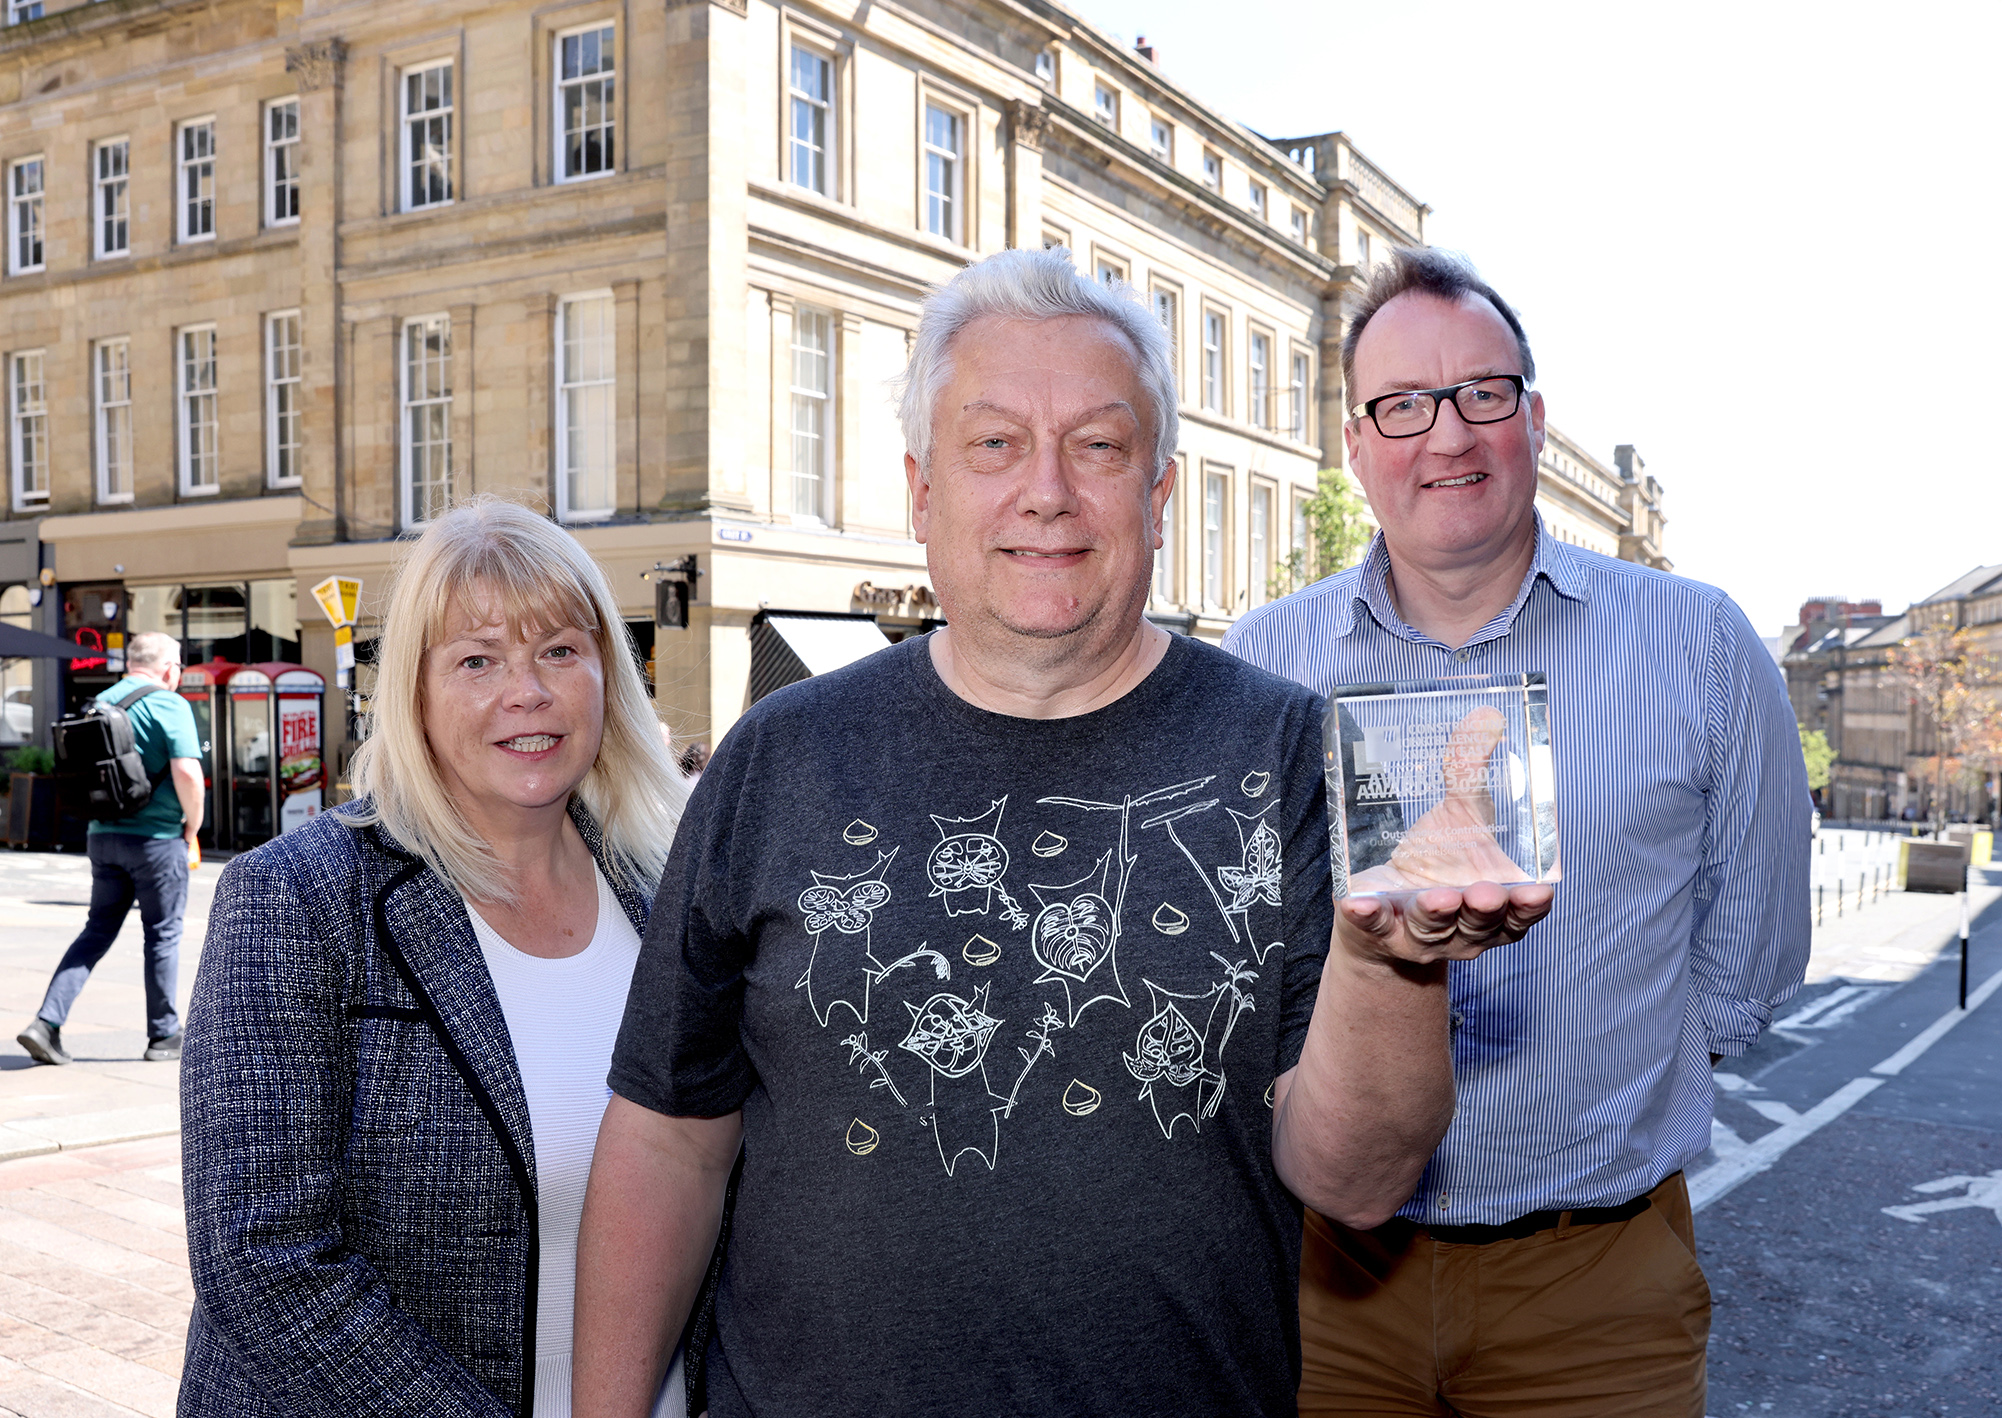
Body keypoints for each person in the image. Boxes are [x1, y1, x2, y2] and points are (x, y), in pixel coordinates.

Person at [571, 247, 1549, 1418]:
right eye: (992, 443)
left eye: (1097, 444)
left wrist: (1395, 953)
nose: (1046, 490)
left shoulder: (1292, 751)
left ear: (1158, 493)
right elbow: (669, 1137)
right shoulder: (777, 754)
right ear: (920, 488)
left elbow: (1357, 1177)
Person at [1222, 246, 1811, 1416]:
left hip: (1594, 1285)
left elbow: (1745, 953)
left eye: (1480, 393)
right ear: (1354, 444)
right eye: (1400, 405)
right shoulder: (1260, 662)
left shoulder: (1696, 643)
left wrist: (1601, 1101)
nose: (1445, 435)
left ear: (1533, 418)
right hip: (1322, 1283)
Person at [177, 498, 702, 1418]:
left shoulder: (667, 894)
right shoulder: (300, 899)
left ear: (607, 678)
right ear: (414, 695)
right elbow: (261, 1256)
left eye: (559, 651)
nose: (526, 692)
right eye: (476, 660)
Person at [16, 631, 202, 1066]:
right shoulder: (169, 704)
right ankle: (163, 1037)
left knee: (97, 930)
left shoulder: (100, 702)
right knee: (162, 935)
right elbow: (188, 773)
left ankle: (46, 1022)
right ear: (169, 669)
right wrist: (192, 827)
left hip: (102, 836)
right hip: (156, 840)